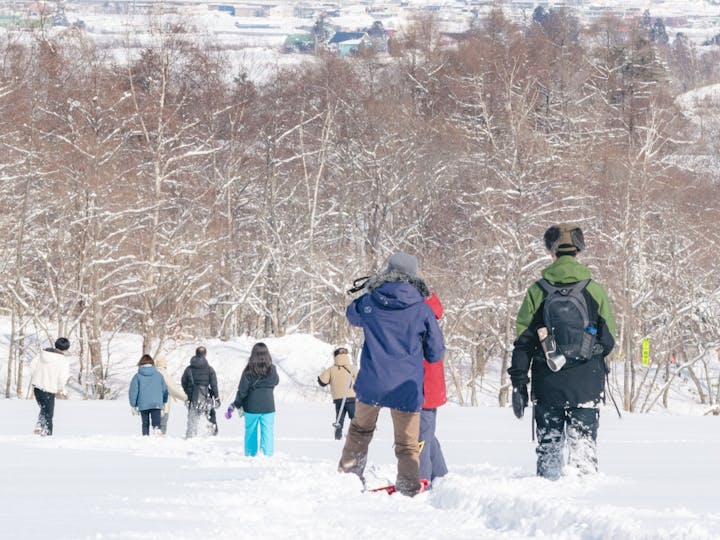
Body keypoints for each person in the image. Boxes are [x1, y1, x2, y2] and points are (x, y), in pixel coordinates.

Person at [508, 224, 616, 479]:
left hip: (548, 382)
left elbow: (523, 343)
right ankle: (585, 506)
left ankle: (547, 501)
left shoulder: (537, 291)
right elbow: (608, 341)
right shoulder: (594, 290)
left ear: (551, 253)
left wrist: (519, 383)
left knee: (549, 450)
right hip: (587, 382)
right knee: (584, 453)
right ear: (578, 251)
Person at [338, 252, 445, 496]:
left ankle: (348, 477)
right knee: (407, 444)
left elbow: (352, 313)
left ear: (388, 271)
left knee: (360, 431)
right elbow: (436, 352)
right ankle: (408, 488)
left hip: (372, 382)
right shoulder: (421, 309)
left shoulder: (371, 301)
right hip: (405, 388)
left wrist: (372, 287)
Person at [225, 342, 280, 456]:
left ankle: (251, 455)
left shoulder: (248, 371)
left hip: (251, 407)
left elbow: (242, 391)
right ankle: (267, 455)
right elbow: (276, 381)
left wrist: (236, 404)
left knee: (250, 432)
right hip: (268, 406)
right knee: (268, 432)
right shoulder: (272, 369)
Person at [419, 292, 448, 485]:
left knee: (419, 437)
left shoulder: (419, 320)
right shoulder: (430, 319)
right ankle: (441, 476)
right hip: (432, 387)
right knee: (427, 433)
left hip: (422, 387)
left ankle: (422, 480)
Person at [27, 337, 71, 436]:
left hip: (37, 387)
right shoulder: (63, 360)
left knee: (44, 408)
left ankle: (40, 427)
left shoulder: (42, 354)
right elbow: (62, 377)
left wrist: (37, 378)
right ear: (66, 348)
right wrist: (59, 387)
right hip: (49, 389)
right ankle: (46, 433)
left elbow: (32, 366)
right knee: (49, 413)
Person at [317, 346, 357, 440]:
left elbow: (322, 382)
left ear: (335, 356)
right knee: (355, 419)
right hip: (351, 398)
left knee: (339, 420)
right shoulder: (353, 368)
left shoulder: (331, 369)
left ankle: (337, 438)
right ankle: (354, 438)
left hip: (339, 399)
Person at [181, 346, 220, 438]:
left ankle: (192, 435)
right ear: (205, 354)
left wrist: (189, 392)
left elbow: (183, 382)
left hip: (192, 398)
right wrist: (216, 397)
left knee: (193, 417)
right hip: (205, 397)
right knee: (210, 415)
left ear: (196, 353)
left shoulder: (189, 369)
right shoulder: (209, 369)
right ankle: (212, 433)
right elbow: (214, 385)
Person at [128, 354, 169, 436]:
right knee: (156, 423)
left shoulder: (137, 376)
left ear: (140, 363)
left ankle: (145, 438)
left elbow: (133, 391)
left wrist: (133, 405)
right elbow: (164, 390)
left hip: (143, 404)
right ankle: (157, 435)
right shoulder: (159, 375)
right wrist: (164, 401)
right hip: (156, 404)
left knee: (145, 424)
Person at [154, 355, 188, 435]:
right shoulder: (163, 374)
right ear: (164, 364)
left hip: (152, 405)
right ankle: (160, 442)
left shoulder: (153, 373)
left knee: (156, 426)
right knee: (162, 426)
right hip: (162, 405)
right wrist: (185, 397)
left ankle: (155, 441)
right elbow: (173, 388)